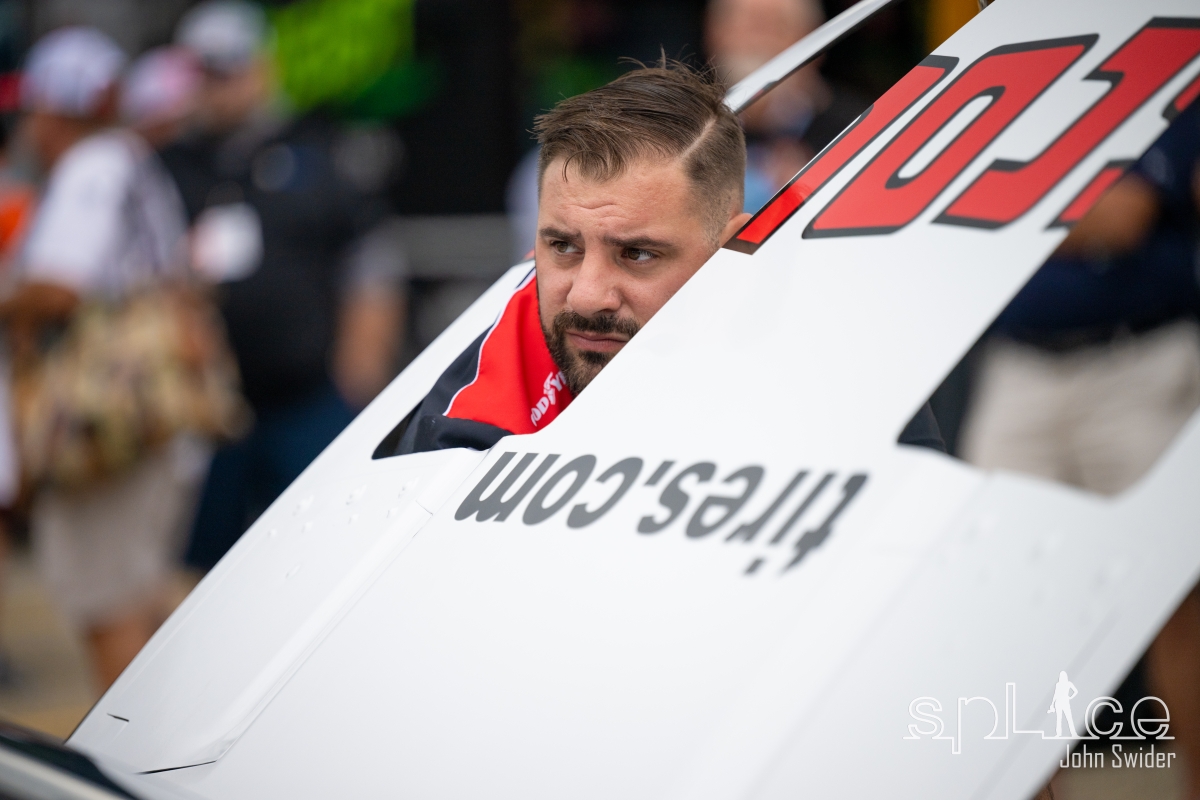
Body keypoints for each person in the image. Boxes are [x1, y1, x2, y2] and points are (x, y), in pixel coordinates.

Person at [391, 61, 943, 456]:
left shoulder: (838, 364)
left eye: (636, 254)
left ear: (735, 248)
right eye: (561, 247)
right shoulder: (485, 392)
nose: (585, 295)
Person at [964, 99, 1200, 799]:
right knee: (1004, 604)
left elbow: (1120, 216)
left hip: (1140, 359)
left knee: (1178, 601)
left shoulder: (1162, 63)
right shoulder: (1015, 83)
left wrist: (1001, 201)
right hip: (1020, 368)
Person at [167, 0, 408, 571]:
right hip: (208, 405)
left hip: (308, 394)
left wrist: (361, 369)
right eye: (205, 72)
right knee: (205, 568)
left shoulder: (315, 150)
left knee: (325, 548)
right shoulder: (171, 161)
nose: (218, 85)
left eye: (230, 69)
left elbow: (371, 258)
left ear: (261, 67)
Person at [3, 28, 194, 690]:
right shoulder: (131, 158)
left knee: (107, 601)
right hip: (145, 405)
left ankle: (130, 777)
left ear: (55, 109)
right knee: (138, 594)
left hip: (105, 411)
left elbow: (59, 286)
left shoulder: (92, 165)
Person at [705, 0, 867, 211]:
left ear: (813, 42)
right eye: (745, 25)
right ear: (714, 35)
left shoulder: (855, 127)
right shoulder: (689, 124)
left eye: (775, 27)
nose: (758, 41)